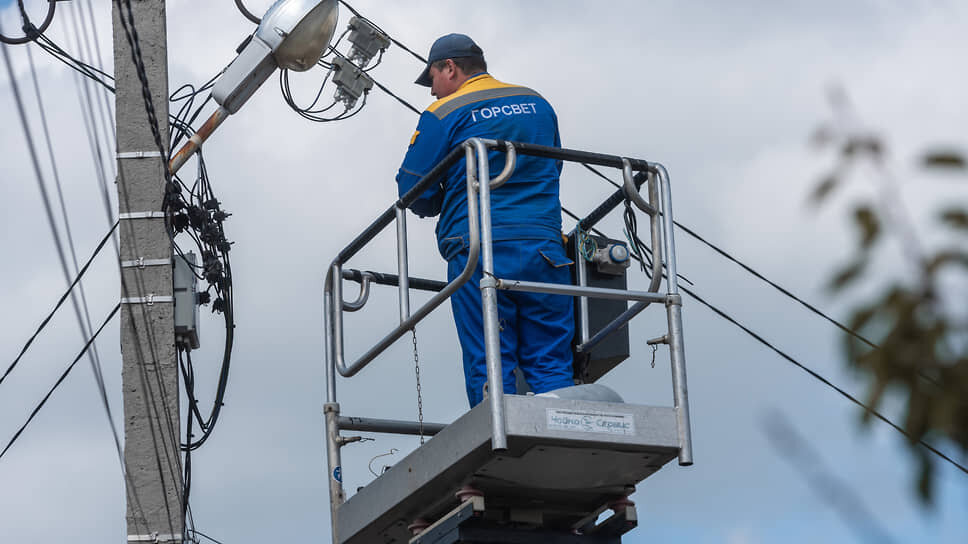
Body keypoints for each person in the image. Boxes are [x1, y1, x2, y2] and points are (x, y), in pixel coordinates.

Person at [396, 34, 575, 407]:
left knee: (490, 358)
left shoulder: (444, 112)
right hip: (545, 250)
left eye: (433, 79)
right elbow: (552, 167)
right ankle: (562, 420)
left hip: (479, 248)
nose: (433, 90)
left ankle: (498, 430)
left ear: (450, 68)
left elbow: (412, 190)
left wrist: (440, 199)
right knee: (551, 360)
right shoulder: (537, 103)